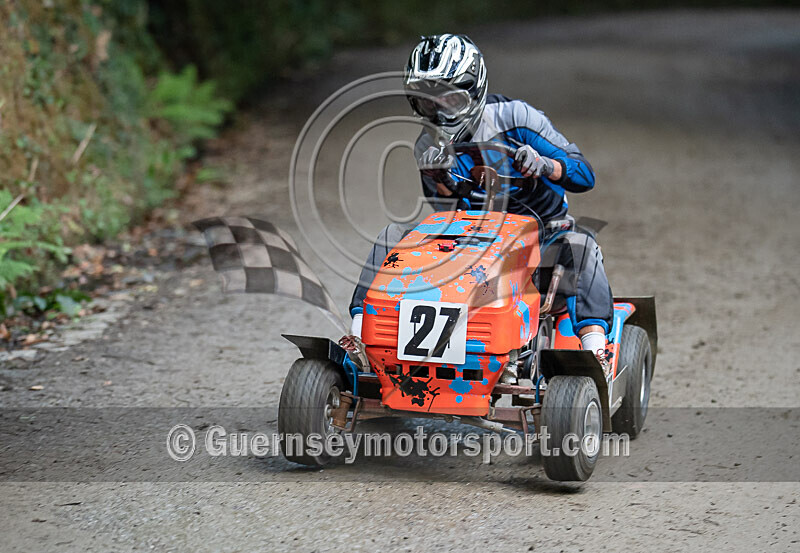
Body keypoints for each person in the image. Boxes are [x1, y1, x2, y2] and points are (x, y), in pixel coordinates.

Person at [347, 34, 614, 369]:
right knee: (393, 236)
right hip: (472, 247)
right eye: (428, 102)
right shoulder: (427, 145)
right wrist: (440, 179)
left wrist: (546, 165)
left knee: (582, 246)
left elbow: (584, 176)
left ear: (473, 91)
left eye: (450, 99)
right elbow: (444, 213)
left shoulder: (517, 118)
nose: (440, 112)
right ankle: (360, 337)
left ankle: (595, 350)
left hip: (541, 242)